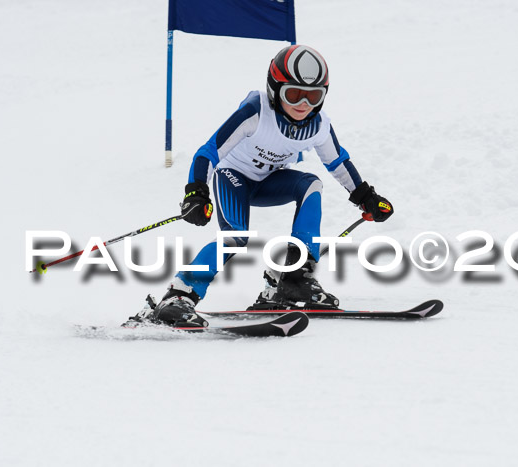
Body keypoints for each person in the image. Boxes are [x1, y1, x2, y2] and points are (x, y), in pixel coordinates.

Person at [146, 45, 393, 329]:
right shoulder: (255, 112)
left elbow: (338, 162)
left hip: (268, 183)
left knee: (311, 184)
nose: (304, 104)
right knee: (237, 239)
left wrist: (366, 197)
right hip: (233, 177)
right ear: (275, 90)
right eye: (293, 94)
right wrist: (196, 191)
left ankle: (294, 279)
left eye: (313, 96)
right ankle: (177, 297)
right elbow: (208, 152)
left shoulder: (318, 125)